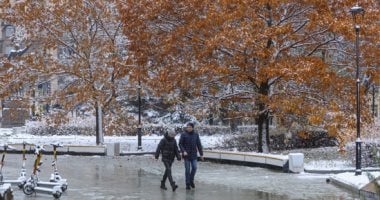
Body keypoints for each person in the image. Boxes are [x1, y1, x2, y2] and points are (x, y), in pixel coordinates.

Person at [179, 122, 203, 190]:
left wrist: (201, 154)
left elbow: (199, 144)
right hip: (186, 155)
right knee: (187, 170)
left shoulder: (196, 135)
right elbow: (180, 144)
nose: (188, 128)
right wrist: (183, 151)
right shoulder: (183, 134)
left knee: (194, 167)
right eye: (187, 127)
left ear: (192, 128)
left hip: (193, 155)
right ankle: (187, 184)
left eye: (190, 127)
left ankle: (191, 180)